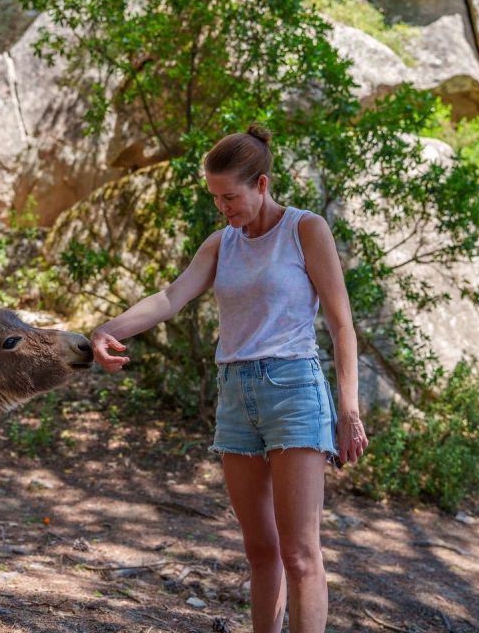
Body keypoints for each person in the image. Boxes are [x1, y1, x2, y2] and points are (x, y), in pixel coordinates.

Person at [90, 124, 369, 632]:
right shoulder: (223, 243)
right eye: (216, 198)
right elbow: (171, 298)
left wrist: (348, 410)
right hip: (236, 395)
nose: (223, 208)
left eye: (230, 196)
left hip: (294, 389)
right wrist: (106, 329)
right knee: (260, 550)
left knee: (300, 552)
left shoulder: (305, 230)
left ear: (261, 184)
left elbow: (341, 324)